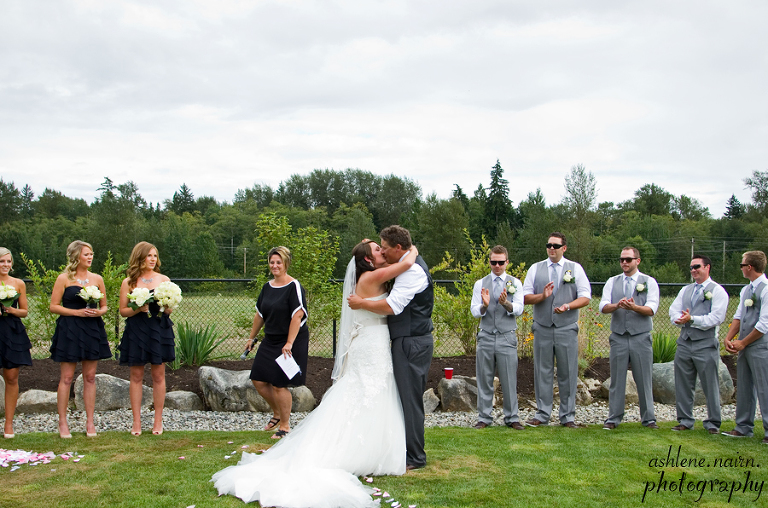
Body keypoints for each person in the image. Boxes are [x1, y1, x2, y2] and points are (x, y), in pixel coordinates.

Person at [212, 241, 417, 506]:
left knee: (369, 393)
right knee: (369, 392)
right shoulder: (370, 277)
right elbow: (407, 263)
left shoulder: (370, 276)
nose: (382, 251)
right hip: (371, 344)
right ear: (367, 260)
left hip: (372, 342)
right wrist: (412, 249)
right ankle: (360, 451)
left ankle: (369, 449)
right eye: (377, 250)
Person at [348, 225, 434, 470]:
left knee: (410, 400)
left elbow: (392, 306)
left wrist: (362, 303)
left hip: (411, 341)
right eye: (379, 249)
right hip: (406, 339)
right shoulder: (405, 262)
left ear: (398, 248)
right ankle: (402, 449)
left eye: (385, 248)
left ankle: (415, 457)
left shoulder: (412, 271)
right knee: (402, 398)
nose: (383, 253)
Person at [522, 232, 591, 428]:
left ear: (564, 248)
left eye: (555, 246)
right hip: (542, 327)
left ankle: (567, 416)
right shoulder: (535, 268)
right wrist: (542, 296)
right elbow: (524, 297)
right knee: (542, 372)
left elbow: (585, 297)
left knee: (567, 372)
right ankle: (542, 413)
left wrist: (568, 306)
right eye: (549, 245)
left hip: (566, 328)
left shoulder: (575, 268)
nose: (551, 248)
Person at [244, 246, 309, 439]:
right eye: (272, 262)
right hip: (270, 339)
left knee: (279, 384)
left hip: (291, 340)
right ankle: (277, 412)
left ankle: (285, 426)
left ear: (286, 263)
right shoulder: (267, 287)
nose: (275, 265)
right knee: (258, 379)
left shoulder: (294, 286)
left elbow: (297, 315)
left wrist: (289, 343)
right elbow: (260, 315)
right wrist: (251, 338)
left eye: (278, 262)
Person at [49, 240, 111, 438]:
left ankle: (90, 422)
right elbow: (53, 306)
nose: (90, 257)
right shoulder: (63, 279)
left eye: (91, 254)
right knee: (67, 378)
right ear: (76, 256)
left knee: (90, 377)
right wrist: (76, 313)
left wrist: (98, 312)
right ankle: (62, 422)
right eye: (86, 254)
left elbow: (105, 306)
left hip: (91, 329)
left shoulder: (97, 278)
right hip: (70, 329)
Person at [117, 242, 175, 436]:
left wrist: (167, 305)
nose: (152, 259)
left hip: (158, 329)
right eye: (149, 255)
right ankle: (136, 422)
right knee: (136, 375)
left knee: (158, 375)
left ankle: (158, 421)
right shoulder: (129, 282)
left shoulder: (163, 279)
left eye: (155, 256)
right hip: (137, 330)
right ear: (139, 257)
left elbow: (169, 310)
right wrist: (137, 309)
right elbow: (123, 311)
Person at [600, 246, 660, 430]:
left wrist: (635, 308)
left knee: (643, 379)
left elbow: (652, 309)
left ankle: (649, 418)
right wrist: (617, 305)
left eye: (628, 259)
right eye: (622, 260)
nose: (624, 263)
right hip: (618, 336)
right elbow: (603, 306)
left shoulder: (648, 281)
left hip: (640, 336)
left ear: (637, 261)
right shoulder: (612, 281)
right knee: (617, 380)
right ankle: (613, 418)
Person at [668, 254, 728, 434]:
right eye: (691, 268)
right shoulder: (685, 290)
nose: (693, 270)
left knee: (710, 384)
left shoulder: (717, 291)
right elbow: (673, 310)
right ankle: (685, 420)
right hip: (685, 342)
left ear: (707, 267)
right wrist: (678, 319)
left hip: (706, 343)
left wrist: (692, 319)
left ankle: (713, 422)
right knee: (683, 383)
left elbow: (716, 318)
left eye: (697, 267)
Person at [470, 245, 524, 430]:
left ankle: (512, 417)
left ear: (507, 262)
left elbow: (519, 308)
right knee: (484, 379)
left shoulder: (515, 283)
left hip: (506, 336)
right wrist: (485, 306)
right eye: (494, 262)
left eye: (501, 262)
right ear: (490, 262)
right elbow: (474, 311)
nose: (497, 266)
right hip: (485, 335)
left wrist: (506, 303)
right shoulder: (480, 283)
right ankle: (484, 417)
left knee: (509, 379)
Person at [722, 250, 768, 444]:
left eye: (742, 265)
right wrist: (729, 337)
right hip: (745, 346)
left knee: (764, 388)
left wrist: (743, 342)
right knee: (745, 386)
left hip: (761, 347)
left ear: (749, 267)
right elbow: (739, 316)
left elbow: (764, 324)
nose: (740, 268)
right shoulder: (746, 290)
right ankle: (743, 427)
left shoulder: (766, 289)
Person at [0, 247, 32, 439]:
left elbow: (24, 311)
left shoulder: (18, 283)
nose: (5, 264)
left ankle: (9, 424)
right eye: (1, 261)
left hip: (11, 331)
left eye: (8, 261)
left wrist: (10, 310)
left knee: (11, 377)